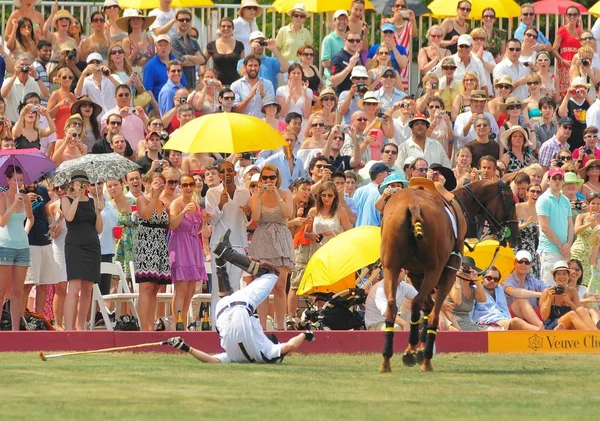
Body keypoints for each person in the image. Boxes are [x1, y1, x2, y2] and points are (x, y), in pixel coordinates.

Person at [165, 238, 315, 363]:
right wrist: (186, 348)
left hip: (241, 306)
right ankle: (220, 265)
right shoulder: (235, 357)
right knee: (227, 300)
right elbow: (211, 360)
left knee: (273, 273)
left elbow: (289, 347)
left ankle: (228, 255)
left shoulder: (268, 351)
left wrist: (305, 334)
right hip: (221, 313)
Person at [248, 164, 294, 330]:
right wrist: (259, 197)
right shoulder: (255, 196)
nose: (268, 180)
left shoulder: (285, 193)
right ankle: (262, 326)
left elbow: (288, 214)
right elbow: (256, 217)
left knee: (280, 285)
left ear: (277, 178)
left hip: (281, 238)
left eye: (271, 177)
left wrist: (277, 195)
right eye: (265, 177)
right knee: (262, 285)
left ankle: (280, 325)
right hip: (262, 238)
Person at [205, 160, 251, 321]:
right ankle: (216, 327)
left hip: (238, 243)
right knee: (219, 288)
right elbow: (211, 221)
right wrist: (220, 205)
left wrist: (248, 213)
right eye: (223, 171)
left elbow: (248, 222)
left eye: (229, 170)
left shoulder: (245, 193)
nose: (226, 174)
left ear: (235, 172)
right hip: (219, 245)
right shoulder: (212, 193)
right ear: (219, 174)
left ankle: (233, 325)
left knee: (235, 287)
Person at [60, 170, 102, 331]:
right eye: (78, 183)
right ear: (72, 184)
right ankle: (69, 328)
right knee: (75, 287)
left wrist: (98, 211)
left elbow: (99, 229)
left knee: (87, 289)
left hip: (92, 244)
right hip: (75, 245)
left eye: (84, 183)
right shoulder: (66, 199)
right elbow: (69, 217)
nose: (81, 185)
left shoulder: (92, 202)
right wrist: (77, 197)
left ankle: (81, 325)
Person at [168, 174, 208, 328]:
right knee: (181, 288)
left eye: (191, 184)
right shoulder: (176, 204)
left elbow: (199, 231)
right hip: (179, 245)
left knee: (191, 289)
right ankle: (177, 324)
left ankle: (183, 323)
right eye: (185, 185)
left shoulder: (196, 204)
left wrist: (204, 219)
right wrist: (183, 212)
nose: (189, 188)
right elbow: (172, 225)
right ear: (180, 187)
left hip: (193, 246)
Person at [135, 171, 171, 331]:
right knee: (146, 287)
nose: (159, 186)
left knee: (155, 288)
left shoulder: (163, 204)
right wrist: (155, 197)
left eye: (161, 183)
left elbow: (168, 224)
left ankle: (151, 324)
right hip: (145, 245)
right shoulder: (142, 199)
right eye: (156, 183)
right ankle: (144, 327)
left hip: (160, 246)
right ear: (147, 184)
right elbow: (147, 215)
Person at [0, 166, 34, 330]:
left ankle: (15, 329)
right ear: (8, 180)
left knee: (17, 291)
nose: (19, 183)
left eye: (21, 180)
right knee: (1, 291)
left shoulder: (26, 198)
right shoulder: (3, 197)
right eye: (15, 180)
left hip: (22, 247)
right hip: (5, 246)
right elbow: (2, 222)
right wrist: (14, 204)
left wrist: (25, 232)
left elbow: (30, 218)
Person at [471, 266, 540, 331]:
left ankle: (540, 327)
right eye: (489, 278)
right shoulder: (476, 289)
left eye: (495, 279)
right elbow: (469, 313)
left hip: (503, 320)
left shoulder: (499, 289)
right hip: (488, 323)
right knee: (516, 321)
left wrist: (509, 321)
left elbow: (504, 309)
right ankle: (542, 333)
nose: (492, 281)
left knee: (522, 300)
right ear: (483, 278)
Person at [537, 167, 574, 287]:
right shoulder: (543, 199)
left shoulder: (566, 201)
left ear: (563, 181)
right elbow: (544, 227)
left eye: (560, 178)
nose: (557, 181)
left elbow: (570, 226)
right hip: (549, 250)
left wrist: (568, 245)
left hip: (564, 250)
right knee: (549, 288)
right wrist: (562, 247)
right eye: (554, 178)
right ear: (548, 180)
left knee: (563, 288)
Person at [539, 261, 598, 330]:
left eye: (564, 274)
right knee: (571, 314)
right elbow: (544, 317)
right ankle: (591, 336)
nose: (562, 276)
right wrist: (549, 299)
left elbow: (579, 311)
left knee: (581, 309)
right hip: (552, 324)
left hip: (570, 323)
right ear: (554, 277)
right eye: (559, 274)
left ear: (569, 276)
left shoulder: (572, 291)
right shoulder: (547, 292)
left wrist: (570, 302)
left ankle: (596, 334)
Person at [503, 250, 547, 329]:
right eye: (520, 261)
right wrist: (540, 294)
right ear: (515, 263)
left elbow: (548, 290)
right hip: (512, 318)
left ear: (530, 266)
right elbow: (515, 292)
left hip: (530, 318)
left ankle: (553, 323)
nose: (523, 264)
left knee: (549, 296)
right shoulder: (508, 281)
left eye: (526, 262)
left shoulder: (533, 281)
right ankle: (541, 327)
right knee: (521, 300)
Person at [1, 55, 48, 123]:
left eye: (27, 65)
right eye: (22, 65)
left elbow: (46, 94)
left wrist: (36, 76)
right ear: (16, 66)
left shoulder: (34, 81)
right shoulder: (9, 81)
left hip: (29, 124)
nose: (24, 67)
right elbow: (2, 95)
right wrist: (15, 75)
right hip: (11, 122)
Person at [75, 53, 120, 121]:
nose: (95, 64)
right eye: (92, 62)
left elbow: (123, 89)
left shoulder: (113, 77)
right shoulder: (86, 81)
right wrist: (83, 74)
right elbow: (78, 94)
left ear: (102, 63)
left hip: (115, 117)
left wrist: (109, 76)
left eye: (98, 62)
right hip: (98, 120)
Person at [144, 35, 187, 105]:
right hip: (159, 104)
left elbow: (183, 86)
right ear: (156, 47)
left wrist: (184, 105)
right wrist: (156, 107)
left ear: (170, 47)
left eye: (166, 45)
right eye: (160, 45)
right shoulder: (150, 65)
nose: (163, 48)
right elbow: (148, 90)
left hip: (178, 104)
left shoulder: (176, 62)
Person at [204, 17, 245, 87]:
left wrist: (241, 77)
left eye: (229, 26)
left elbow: (243, 64)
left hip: (235, 84)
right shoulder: (211, 45)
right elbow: (202, 62)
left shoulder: (239, 45)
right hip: (216, 84)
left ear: (233, 29)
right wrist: (205, 76)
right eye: (223, 26)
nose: (226, 28)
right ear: (219, 28)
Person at [170, 9, 205, 89]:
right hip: (179, 85)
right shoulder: (173, 40)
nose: (185, 22)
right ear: (176, 22)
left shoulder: (193, 41)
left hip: (192, 84)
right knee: (181, 102)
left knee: (190, 102)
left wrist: (188, 57)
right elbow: (180, 62)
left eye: (187, 20)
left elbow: (203, 60)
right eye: (181, 20)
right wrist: (196, 60)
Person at [553, 6, 582, 98]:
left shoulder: (579, 31)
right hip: (565, 66)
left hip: (577, 66)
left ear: (578, 16)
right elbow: (554, 50)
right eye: (570, 14)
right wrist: (562, 60)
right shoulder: (562, 30)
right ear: (566, 16)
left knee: (577, 90)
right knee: (565, 93)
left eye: (575, 14)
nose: (572, 17)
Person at [353, 163, 390, 227]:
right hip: (373, 231)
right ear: (380, 175)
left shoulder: (359, 190)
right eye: (388, 174)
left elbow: (353, 213)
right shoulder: (381, 192)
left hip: (358, 231)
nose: (389, 176)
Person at [516, 183, 542, 278]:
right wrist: (525, 225)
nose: (535, 194)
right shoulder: (518, 207)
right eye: (532, 191)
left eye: (538, 192)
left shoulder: (541, 210)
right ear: (527, 193)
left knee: (531, 279)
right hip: (517, 248)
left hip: (532, 250)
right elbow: (509, 229)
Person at [320, 10, 349, 87]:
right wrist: (341, 62)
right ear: (334, 21)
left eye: (344, 19)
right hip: (332, 83)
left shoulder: (349, 40)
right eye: (339, 19)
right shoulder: (328, 39)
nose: (342, 22)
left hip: (347, 82)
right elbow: (324, 63)